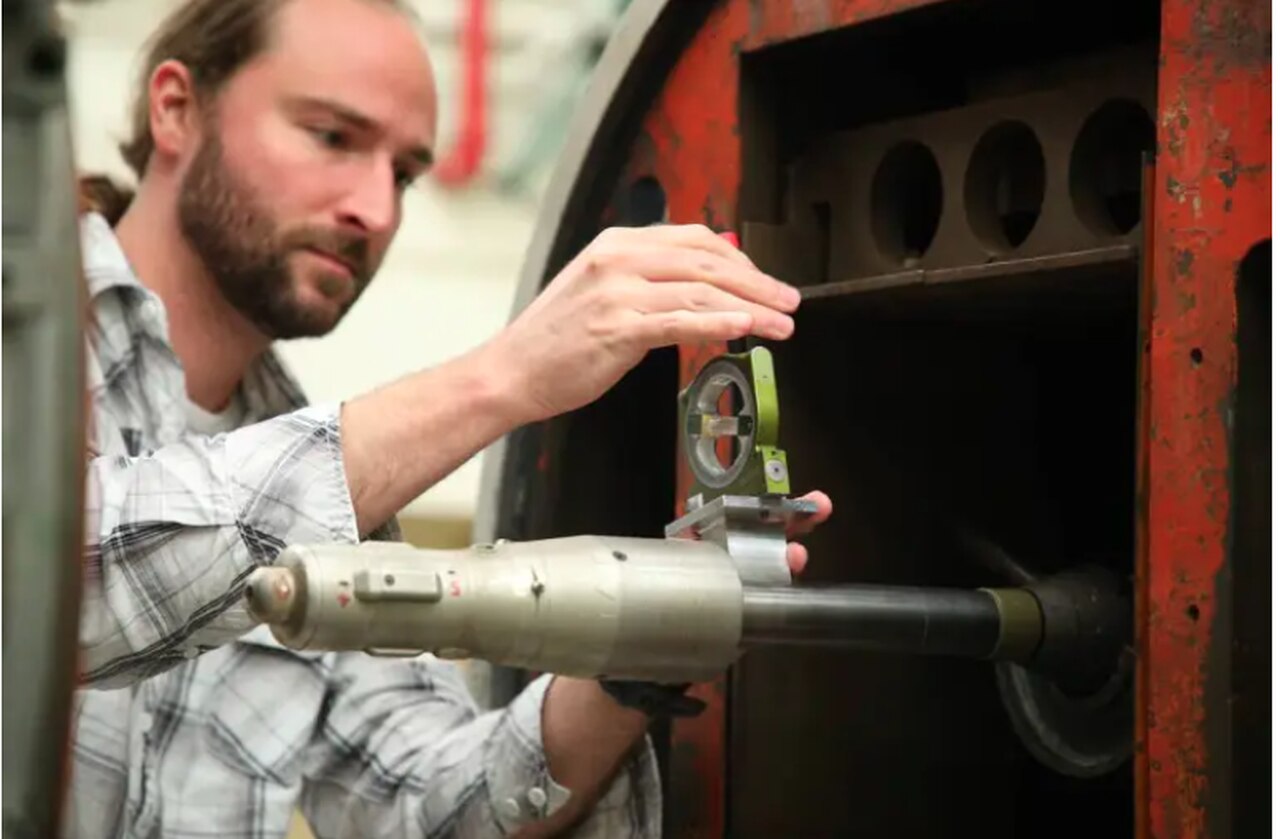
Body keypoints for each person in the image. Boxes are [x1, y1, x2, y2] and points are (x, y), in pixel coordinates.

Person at [66, 0, 832, 836]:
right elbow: (54, 591)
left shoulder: (318, 492)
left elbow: (426, 803)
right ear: (176, 108)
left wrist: (646, 640)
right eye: (332, 136)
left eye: (403, 173)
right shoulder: (21, 343)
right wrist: (504, 377)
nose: (377, 210)